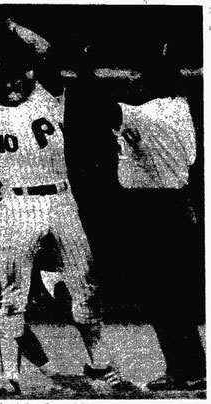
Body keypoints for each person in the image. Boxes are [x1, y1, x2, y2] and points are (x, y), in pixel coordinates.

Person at [0, 15, 132, 395]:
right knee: (13, 297)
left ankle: (101, 365)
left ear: (26, 73)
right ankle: (10, 378)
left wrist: (10, 27)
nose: (9, 84)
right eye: (0, 79)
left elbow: (49, 52)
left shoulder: (46, 94)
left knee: (85, 289)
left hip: (61, 199)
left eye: (15, 76)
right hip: (16, 205)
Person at [112, 46, 206, 391]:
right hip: (174, 206)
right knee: (169, 298)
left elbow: (101, 109)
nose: (132, 80)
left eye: (138, 75)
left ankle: (191, 370)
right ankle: (187, 369)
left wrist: (83, 68)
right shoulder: (179, 107)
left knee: (166, 299)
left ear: (153, 82)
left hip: (158, 210)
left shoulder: (150, 114)